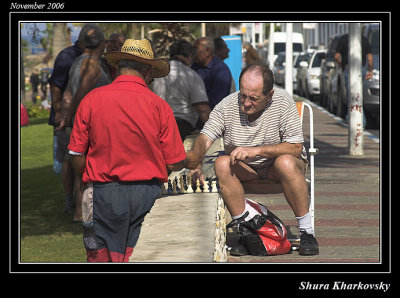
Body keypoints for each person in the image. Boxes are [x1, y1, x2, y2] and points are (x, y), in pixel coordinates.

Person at [67, 38, 199, 262]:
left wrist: (87, 177)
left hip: (102, 192)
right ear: (148, 73)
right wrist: (188, 161)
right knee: (140, 256)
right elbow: (173, 163)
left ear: (117, 68)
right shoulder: (160, 107)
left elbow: (76, 155)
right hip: (147, 194)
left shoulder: (91, 100)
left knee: (101, 257)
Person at [188, 61, 319, 256]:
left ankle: (307, 232)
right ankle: (246, 231)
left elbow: (295, 147)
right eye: (243, 95)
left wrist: (256, 151)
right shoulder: (227, 105)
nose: (246, 103)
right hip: (246, 171)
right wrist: (196, 163)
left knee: (286, 162)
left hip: (279, 170)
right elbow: (205, 137)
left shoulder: (283, 102)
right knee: (222, 163)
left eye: (254, 98)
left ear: (270, 95)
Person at [58, 24, 111, 223]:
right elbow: (80, 92)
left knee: (76, 163)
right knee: (85, 168)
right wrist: (71, 116)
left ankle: (77, 209)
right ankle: (81, 213)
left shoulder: (76, 62)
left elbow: (68, 93)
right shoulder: (92, 64)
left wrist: (65, 117)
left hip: (79, 122)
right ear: (102, 44)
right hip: (90, 123)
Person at [47, 29, 84, 213]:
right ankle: (70, 203)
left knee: (71, 160)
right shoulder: (68, 56)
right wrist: (60, 113)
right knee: (67, 161)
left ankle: (73, 204)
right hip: (65, 121)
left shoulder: (86, 57)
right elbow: (56, 85)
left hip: (77, 118)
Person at [152, 39, 210, 141]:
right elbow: (202, 109)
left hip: (157, 125)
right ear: (189, 56)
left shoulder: (157, 74)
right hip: (182, 128)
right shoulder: (191, 75)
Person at [191, 37, 233, 111]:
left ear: (207, 51)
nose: (193, 53)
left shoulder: (221, 71)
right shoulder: (195, 67)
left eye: (196, 49)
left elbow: (216, 104)